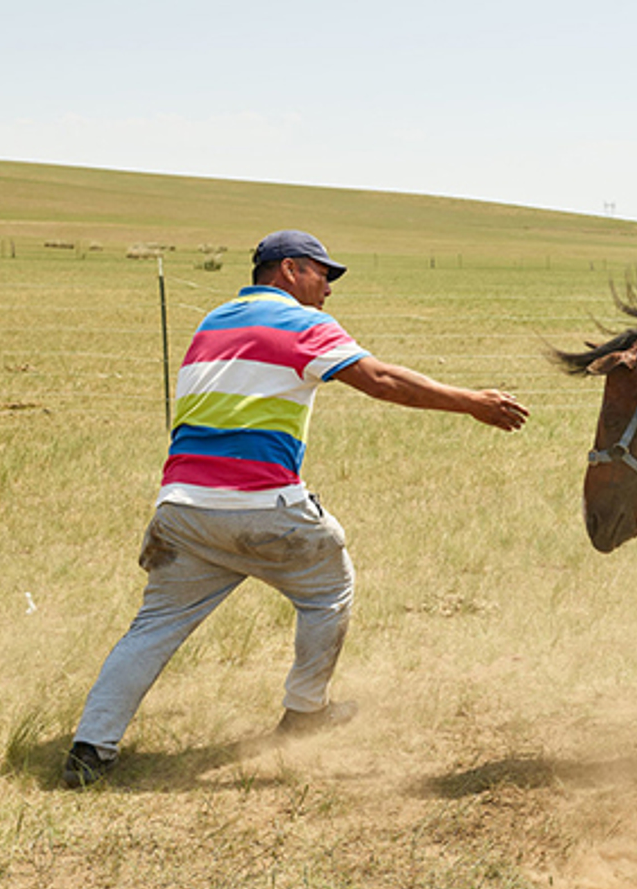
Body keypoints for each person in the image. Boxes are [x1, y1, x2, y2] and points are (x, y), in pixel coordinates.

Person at [63, 230, 530, 787]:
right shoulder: (299, 322)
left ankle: (90, 750)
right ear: (288, 270)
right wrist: (472, 401)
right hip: (262, 506)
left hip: (181, 508)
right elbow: (378, 380)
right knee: (329, 589)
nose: (329, 288)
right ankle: (305, 713)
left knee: (153, 627)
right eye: (322, 273)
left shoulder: (214, 320)